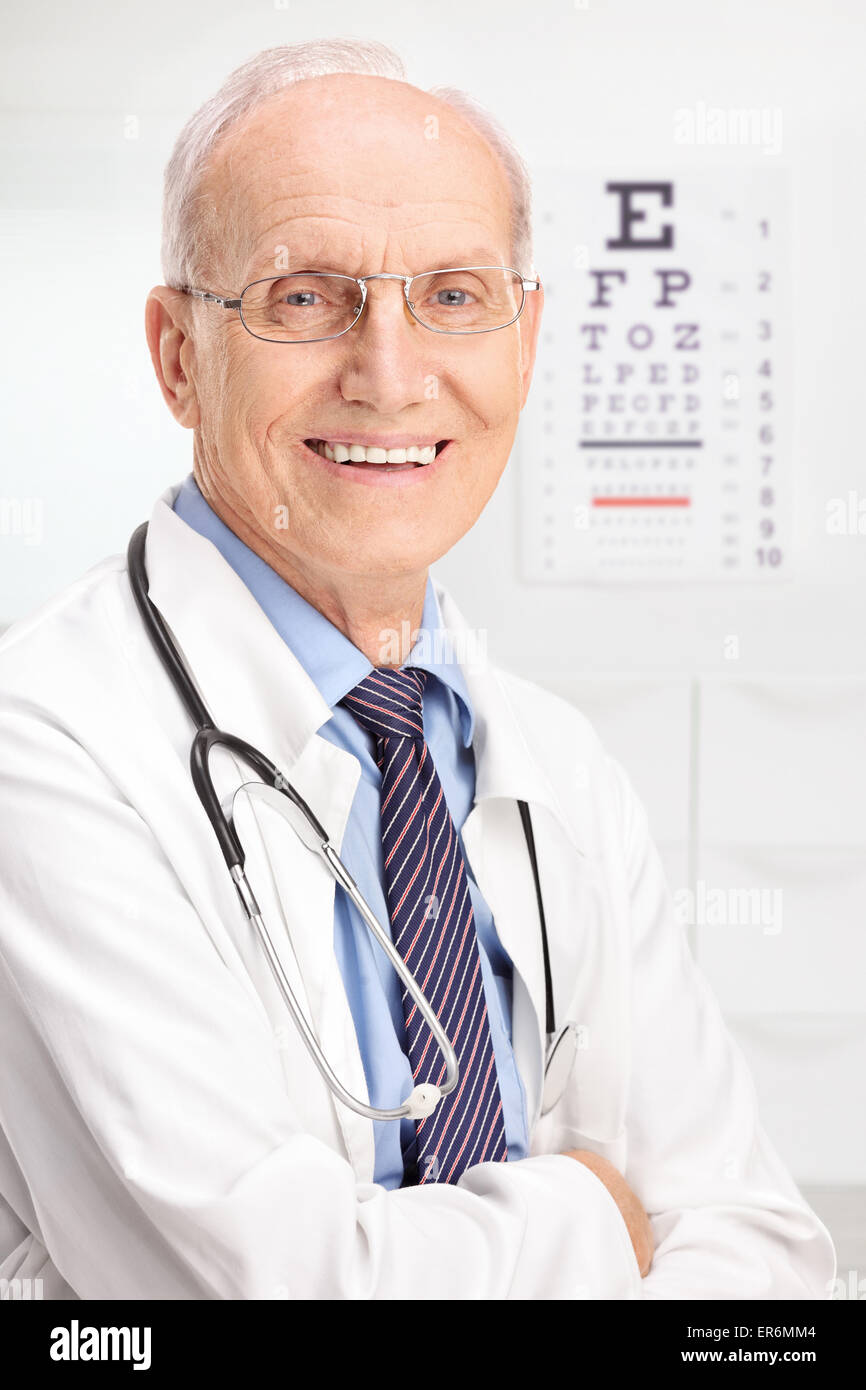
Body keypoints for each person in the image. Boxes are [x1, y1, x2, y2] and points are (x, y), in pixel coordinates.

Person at [0, 38, 835, 1299]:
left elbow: (768, 1262)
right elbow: (265, 1293)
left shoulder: (553, 764)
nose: (389, 375)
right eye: (303, 297)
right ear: (179, 355)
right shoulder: (45, 750)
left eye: (451, 295)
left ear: (526, 338)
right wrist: (597, 1221)